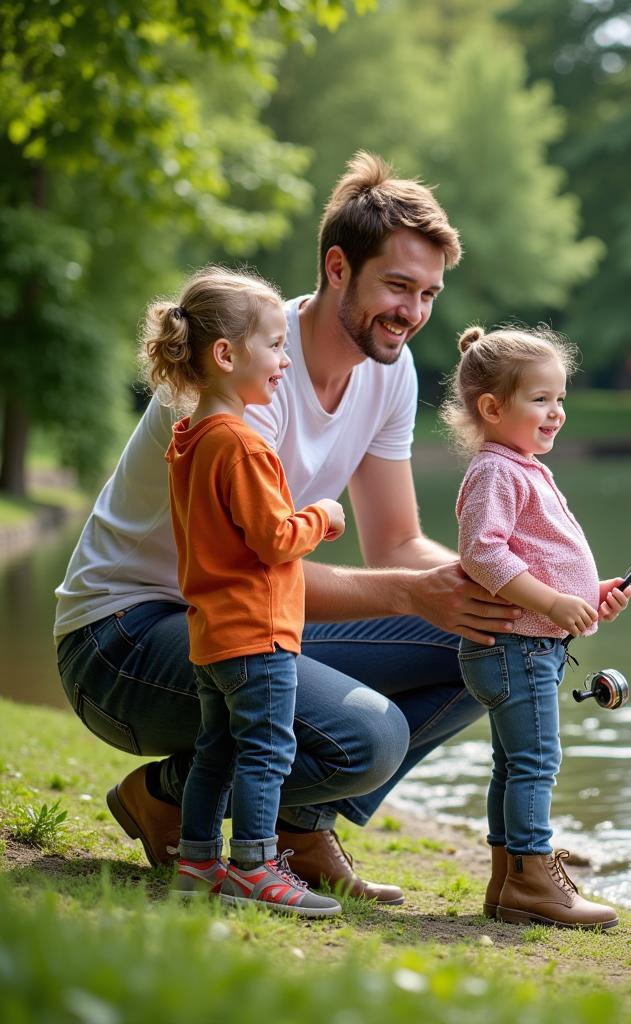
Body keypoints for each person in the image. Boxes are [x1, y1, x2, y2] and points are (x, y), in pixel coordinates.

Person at [55, 152, 517, 901]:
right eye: (397, 286)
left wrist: (510, 589)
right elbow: (259, 563)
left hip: (242, 619)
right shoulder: (245, 371)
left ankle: (299, 824)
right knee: (370, 737)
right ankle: (168, 798)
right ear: (339, 267)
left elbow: (398, 541)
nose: (413, 311)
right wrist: (410, 594)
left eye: (429, 293)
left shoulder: (388, 370)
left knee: (491, 635)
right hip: (125, 639)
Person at [142, 266, 347, 915]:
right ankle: (256, 865)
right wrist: (325, 515)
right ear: (227, 355)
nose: (286, 359)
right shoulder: (242, 445)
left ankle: (199, 863)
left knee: (218, 751)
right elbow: (274, 538)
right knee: (266, 750)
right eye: (276, 344)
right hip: (258, 632)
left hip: (212, 633)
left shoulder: (191, 440)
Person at [441, 324, 631, 930]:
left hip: (525, 645)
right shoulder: (498, 470)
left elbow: (534, 553)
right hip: (516, 647)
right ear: (493, 408)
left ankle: (507, 881)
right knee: (536, 762)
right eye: (541, 400)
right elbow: (484, 553)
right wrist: (551, 603)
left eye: (561, 399)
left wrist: (584, 595)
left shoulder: (519, 465)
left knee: (513, 763)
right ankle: (533, 876)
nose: (557, 413)